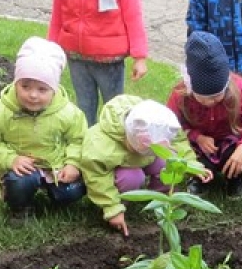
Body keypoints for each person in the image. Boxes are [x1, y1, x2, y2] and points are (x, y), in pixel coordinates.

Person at [0, 37, 86, 225]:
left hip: (56, 166)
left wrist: (72, 163)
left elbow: (79, 139)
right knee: (19, 182)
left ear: (54, 89)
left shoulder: (68, 112)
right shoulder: (1, 111)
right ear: (15, 83)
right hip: (22, 168)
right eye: (25, 86)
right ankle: (20, 207)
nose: (32, 95)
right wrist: (10, 159)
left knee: (73, 191)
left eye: (42, 89)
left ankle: (57, 197)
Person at [78, 95, 207, 236]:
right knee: (132, 178)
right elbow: (97, 178)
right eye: (140, 150)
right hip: (120, 167)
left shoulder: (156, 122)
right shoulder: (100, 145)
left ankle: (162, 200)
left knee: (167, 162)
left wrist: (192, 165)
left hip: (145, 160)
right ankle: (121, 205)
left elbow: (177, 141)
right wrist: (112, 208)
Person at [167, 31, 242, 200]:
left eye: (217, 96)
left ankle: (234, 177)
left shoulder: (239, 88)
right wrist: (196, 136)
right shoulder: (180, 95)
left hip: (228, 141)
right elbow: (171, 127)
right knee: (189, 154)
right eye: (204, 98)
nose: (211, 102)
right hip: (198, 147)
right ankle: (199, 177)